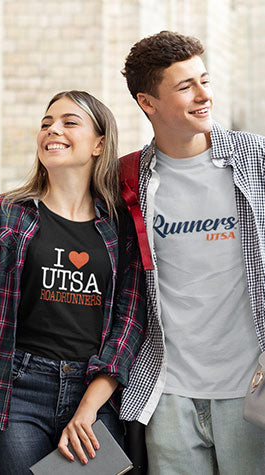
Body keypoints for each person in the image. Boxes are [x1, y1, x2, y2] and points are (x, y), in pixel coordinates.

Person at [0, 90, 146, 474]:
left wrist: (88, 409)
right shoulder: (5, 213)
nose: (52, 130)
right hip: (15, 394)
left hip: (94, 395)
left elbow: (128, 325)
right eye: (46, 123)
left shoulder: (122, 226)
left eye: (68, 122)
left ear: (99, 143)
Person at [119, 30, 265, 474]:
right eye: (186, 87)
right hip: (166, 392)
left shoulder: (255, 159)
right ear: (148, 103)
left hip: (251, 389)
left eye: (205, 80)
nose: (204, 95)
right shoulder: (128, 180)